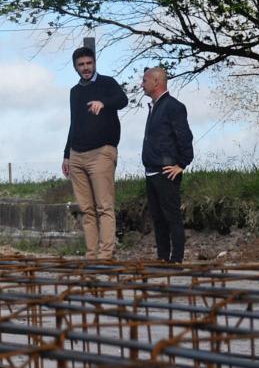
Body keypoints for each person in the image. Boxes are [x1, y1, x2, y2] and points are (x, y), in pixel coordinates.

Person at [63, 46, 128, 260]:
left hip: (101, 153)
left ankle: (106, 254)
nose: (86, 68)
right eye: (81, 65)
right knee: (86, 209)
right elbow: (74, 124)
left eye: (89, 63)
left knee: (104, 206)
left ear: (94, 63)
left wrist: (104, 102)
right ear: (75, 67)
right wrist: (66, 155)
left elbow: (123, 100)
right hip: (77, 154)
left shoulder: (107, 83)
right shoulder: (74, 92)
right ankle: (91, 255)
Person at [141, 67, 194, 263]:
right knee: (158, 219)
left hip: (167, 172)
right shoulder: (154, 107)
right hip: (151, 172)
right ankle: (163, 258)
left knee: (172, 218)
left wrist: (181, 164)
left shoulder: (173, 106)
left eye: (145, 80)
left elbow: (185, 137)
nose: (141, 85)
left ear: (156, 82)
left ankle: (176, 259)